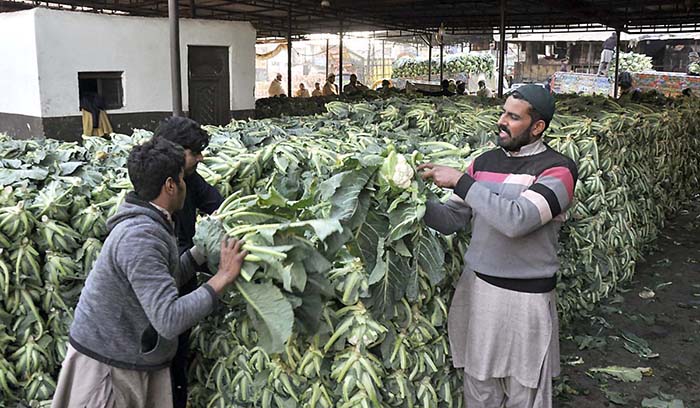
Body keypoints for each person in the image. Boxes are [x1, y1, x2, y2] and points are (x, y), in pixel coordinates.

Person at [51, 137, 248, 408]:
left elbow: (165, 281)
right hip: (108, 367)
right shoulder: (140, 237)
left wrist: (198, 253)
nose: (185, 187)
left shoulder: (153, 223)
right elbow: (168, 319)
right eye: (182, 179)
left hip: (129, 357)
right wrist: (222, 278)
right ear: (170, 185)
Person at [418, 84, 578, 408]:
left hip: (527, 297)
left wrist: (461, 181)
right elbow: (452, 219)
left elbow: (518, 221)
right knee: (479, 384)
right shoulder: (482, 162)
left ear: (538, 127)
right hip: (479, 289)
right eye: (503, 112)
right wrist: (412, 198)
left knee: (524, 388)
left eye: (514, 117)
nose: (502, 121)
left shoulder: (559, 170)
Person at [152, 117, 225, 408]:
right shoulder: (147, 213)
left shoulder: (190, 179)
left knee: (177, 355)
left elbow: (217, 205)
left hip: (185, 272)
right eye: (195, 152)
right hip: (168, 282)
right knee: (164, 359)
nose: (200, 157)